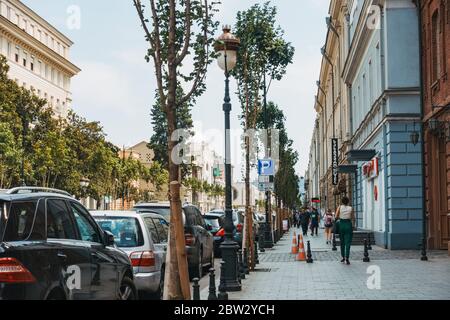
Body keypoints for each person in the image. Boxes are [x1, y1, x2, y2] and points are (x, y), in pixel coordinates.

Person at [335, 196, 355, 265]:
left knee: (342, 242)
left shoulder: (339, 207)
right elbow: (353, 218)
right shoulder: (351, 208)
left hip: (341, 224)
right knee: (348, 242)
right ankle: (347, 258)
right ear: (348, 201)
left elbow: (336, 216)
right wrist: (352, 226)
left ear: (342, 201)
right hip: (348, 224)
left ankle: (343, 257)